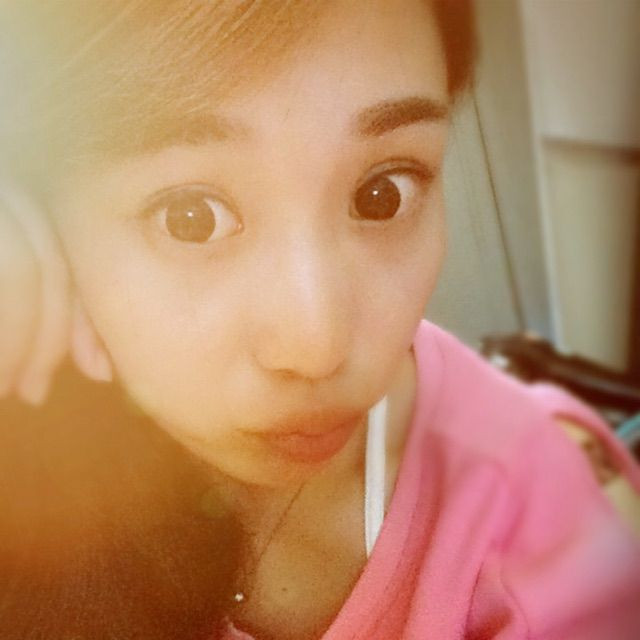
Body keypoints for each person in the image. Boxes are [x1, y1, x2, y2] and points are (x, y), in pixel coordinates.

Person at [0, 2, 638, 639]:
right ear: (44, 217)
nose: (319, 347)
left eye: (382, 194)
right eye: (189, 217)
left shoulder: (532, 506)